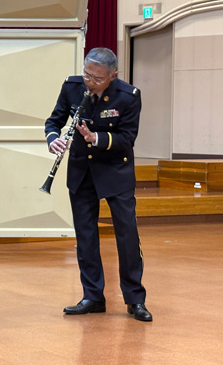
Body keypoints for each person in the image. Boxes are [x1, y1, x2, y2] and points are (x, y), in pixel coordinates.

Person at [44, 47, 152, 322]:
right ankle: (92, 296)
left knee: (127, 235)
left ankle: (135, 299)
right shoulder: (72, 87)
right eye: (87, 75)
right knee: (86, 236)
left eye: (97, 79)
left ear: (112, 76)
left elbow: (127, 137)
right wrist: (53, 139)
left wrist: (96, 138)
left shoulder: (128, 96)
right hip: (82, 170)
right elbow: (54, 120)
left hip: (116, 170)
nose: (89, 82)